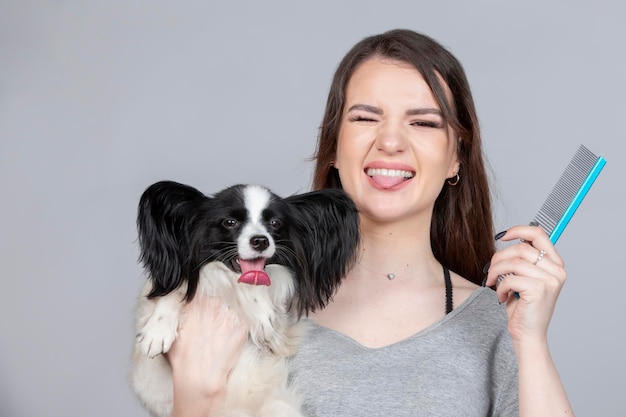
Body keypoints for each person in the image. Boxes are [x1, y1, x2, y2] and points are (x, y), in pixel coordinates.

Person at [166, 29, 574, 416]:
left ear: (456, 158)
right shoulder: (250, 302)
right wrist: (193, 393)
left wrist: (531, 341)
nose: (391, 141)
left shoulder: (496, 321)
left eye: (423, 122)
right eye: (365, 118)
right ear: (333, 148)